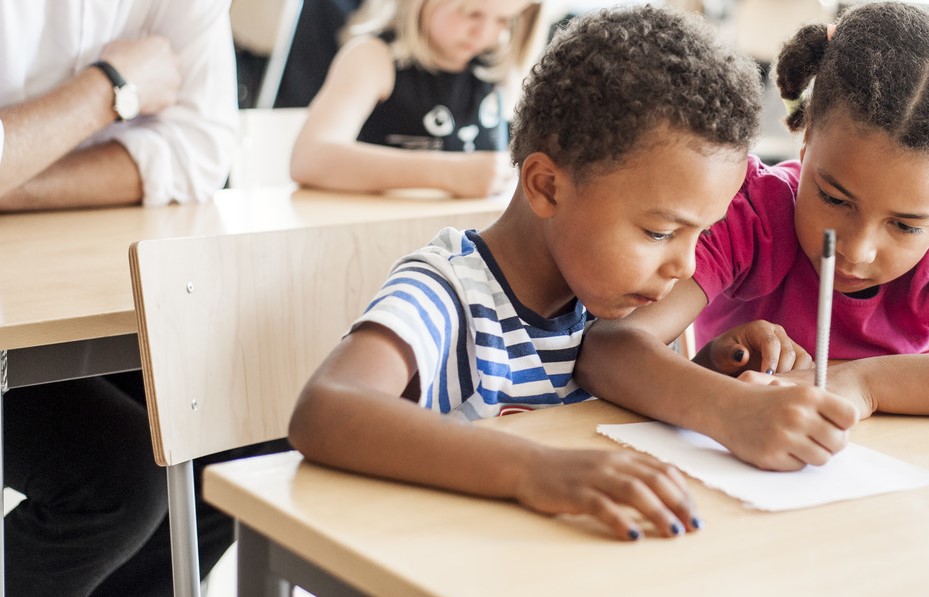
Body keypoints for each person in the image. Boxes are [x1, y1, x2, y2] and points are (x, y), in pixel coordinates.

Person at [575, 1, 929, 472]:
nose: (857, 249)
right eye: (834, 199)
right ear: (805, 140)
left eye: (906, 225)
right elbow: (609, 349)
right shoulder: (755, 216)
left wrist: (863, 384)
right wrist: (730, 409)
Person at [288, 4, 765, 541]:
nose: (686, 265)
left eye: (700, 233)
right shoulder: (449, 292)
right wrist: (532, 469)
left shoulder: (613, 297)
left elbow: (601, 428)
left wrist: (706, 368)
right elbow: (325, 409)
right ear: (546, 187)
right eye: (658, 232)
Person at [0, 2, 281, 595]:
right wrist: (108, 89)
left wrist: (14, 168)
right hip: (14, 324)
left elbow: (201, 153)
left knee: (251, 423)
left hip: (98, 294)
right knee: (118, 484)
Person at [289, 0, 542, 197]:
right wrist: (449, 173)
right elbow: (309, 159)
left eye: (503, 20)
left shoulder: (495, 66)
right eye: (471, 13)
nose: (484, 33)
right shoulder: (373, 59)